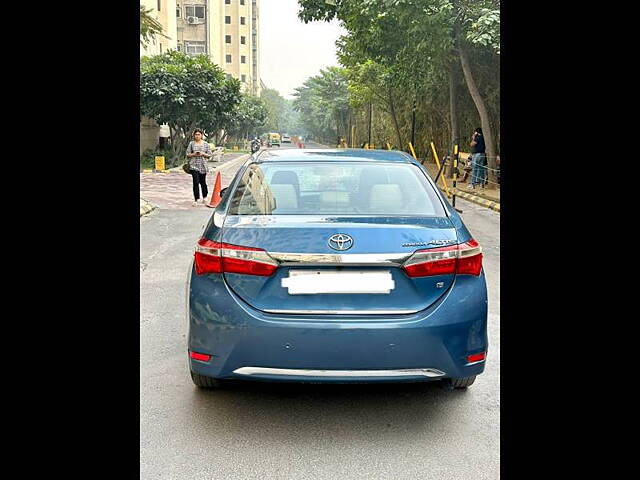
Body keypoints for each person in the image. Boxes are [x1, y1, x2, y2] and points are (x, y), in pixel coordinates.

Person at [186, 128, 212, 206]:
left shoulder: (205, 144)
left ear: (201, 135)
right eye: (196, 134)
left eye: (199, 134)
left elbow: (210, 155)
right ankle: (196, 199)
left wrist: (203, 154)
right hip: (194, 165)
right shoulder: (191, 144)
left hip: (203, 165)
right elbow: (187, 154)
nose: (197, 136)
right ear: (194, 135)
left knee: (203, 182)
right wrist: (194, 154)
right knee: (195, 182)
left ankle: (205, 196)